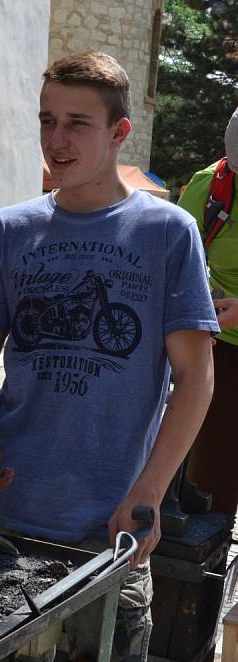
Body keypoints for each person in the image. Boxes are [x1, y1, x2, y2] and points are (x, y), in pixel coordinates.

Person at [0, 51, 219, 662]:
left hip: (110, 535)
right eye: (46, 120)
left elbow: (195, 379)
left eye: (76, 124)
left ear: (119, 132)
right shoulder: (8, 232)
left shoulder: (168, 234)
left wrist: (150, 492)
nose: (55, 140)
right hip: (8, 525)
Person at [178, 107, 238, 518]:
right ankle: (208, 579)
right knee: (212, 492)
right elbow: (180, 266)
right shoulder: (209, 189)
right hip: (223, 353)